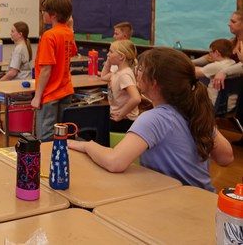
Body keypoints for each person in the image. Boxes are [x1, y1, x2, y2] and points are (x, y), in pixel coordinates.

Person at [69, 47, 234, 192]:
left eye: (141, 69)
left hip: (175, 204)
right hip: (204, 201)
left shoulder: (154, 118)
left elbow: (114, 162)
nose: (137, 73)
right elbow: (226, 158)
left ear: (154, 83)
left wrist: (87, 145)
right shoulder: (193, 111)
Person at [32, 0, 78, 141]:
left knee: (45, 137)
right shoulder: (68, 33)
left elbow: (46, 69)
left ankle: (46, 164)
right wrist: (71, 28)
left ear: (53, 15)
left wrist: (37, 97)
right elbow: (73, 51)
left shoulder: (49, 35)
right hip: (65, 90)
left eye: (43, 11)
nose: (42, 14)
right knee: (62, 135)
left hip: (50, 93)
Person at [0, 21, 33, 130]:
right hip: (24, 87)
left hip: (18, 90)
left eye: (13, 31)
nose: (10, 34)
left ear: (20, 34)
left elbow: (13, 72)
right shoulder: (23, 47)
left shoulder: (19, 49)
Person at [101, 40, 141, 132]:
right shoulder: (117, 72)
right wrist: (108, 62)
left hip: (124, 120)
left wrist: (121, 114)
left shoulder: (124, 75)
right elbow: (103, 77)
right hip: (119, 117)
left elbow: (136, 98)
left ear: (121, 56)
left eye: (111, 52)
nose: (108, 54)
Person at [202, 11, 243, 91]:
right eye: (230, 21)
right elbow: (210, 56)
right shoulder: (231, 42)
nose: (229, 24)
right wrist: (191, 62)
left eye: (233, 21)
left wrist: (224, 72)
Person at [194, 39, 236, 112]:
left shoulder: (216, 66)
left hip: (212, 105)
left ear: (216, 52)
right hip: (229, 106)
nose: (209, 55)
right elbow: (205, 70)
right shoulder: (233, 63)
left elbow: (192, 72)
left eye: (210, 52)